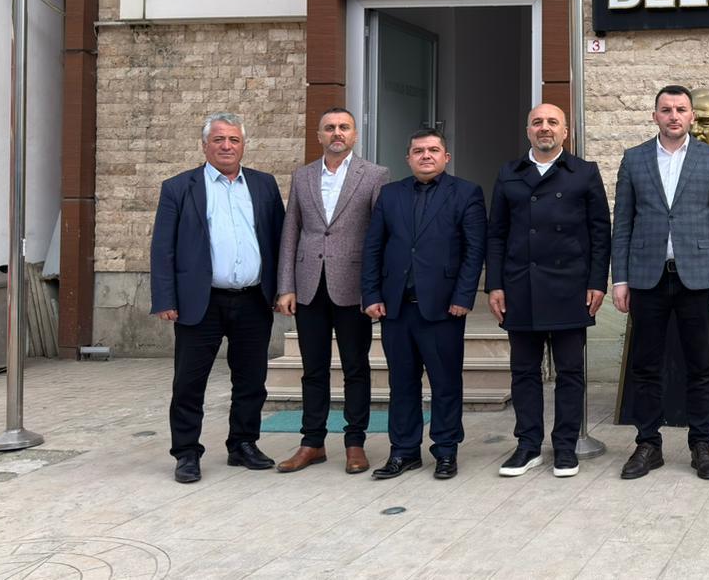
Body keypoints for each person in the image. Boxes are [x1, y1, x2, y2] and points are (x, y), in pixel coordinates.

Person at [150, 112, 286, 484]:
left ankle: (243, 444)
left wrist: (282, 288)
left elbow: (279, 240)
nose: (227, 146)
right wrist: (165, 298)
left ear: (243, 145)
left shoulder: (263, 184)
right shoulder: (179, 187)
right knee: (189, 382)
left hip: (253, 300)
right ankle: (186, 453)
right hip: (200, 302)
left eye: (233, 140)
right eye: (219, 140)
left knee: (251, 380)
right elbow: (162, 247)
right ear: (205, 145)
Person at [612, 84, 709, 481]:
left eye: (680, 109)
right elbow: (623, 223)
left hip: (697, 279)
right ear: (655, 116)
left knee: (700, 365)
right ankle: (648, 444)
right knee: (646, 366)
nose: (673, 116)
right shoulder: (634, 159)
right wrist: (620, 279)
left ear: (690, 116)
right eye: (666, 109)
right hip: (647, 277)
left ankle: (702, 444)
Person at [486, 104, 611, 479]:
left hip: (570, 285)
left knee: (570, 372)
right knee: (524, 371)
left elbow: (600, 233)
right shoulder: (509, 173)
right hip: (520, 285)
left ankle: (565, 447)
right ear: (528, 131)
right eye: (537, 122)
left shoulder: (584, 172)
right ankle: (527, 446)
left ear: (565, 131)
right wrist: (494, 284)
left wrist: (597, 282)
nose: (545, 128)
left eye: (552, 122)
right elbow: (496, 234)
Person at [361, 128, 486, 481]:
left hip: (444, 309)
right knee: (401, 383)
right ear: (408, 158)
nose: (426, 156)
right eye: (418, 151)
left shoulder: (466, 193)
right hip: (396, 308)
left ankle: (445, 451)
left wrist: (463, 297)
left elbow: (474, 250)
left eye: (433, 150)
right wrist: (371, 294)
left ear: (446, 157)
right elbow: (373, 247)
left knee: (445, 383)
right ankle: (403, 451)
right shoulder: (390, 194)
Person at [273, 107, 389, 476]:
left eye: (344, 127)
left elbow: (380, 236)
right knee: (313, 369)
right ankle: (312, 443)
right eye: (330, 128)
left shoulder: (375, 175)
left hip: (353, 287)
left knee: (356, 367)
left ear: (355, 134)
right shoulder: (302, 175)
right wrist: (285, 286)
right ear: (319, 135)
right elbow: (291, 231)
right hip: (309, 285)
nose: (337, 133)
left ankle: (355, 442)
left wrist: (374, 290)